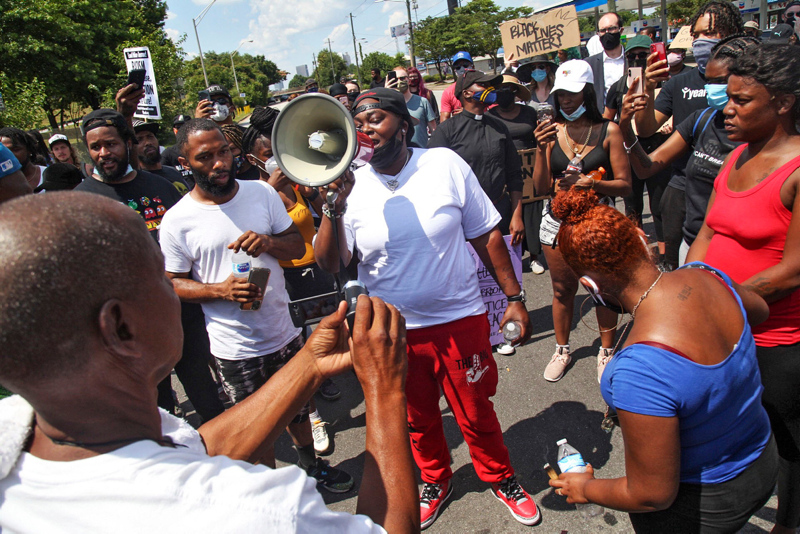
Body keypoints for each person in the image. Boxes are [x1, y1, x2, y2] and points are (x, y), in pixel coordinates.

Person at [0, 191, 418, 533]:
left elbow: (199, 448)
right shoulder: (253, 511)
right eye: (159, 278)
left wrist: (309, 362)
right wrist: (383, 388)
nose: (173, 289)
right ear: (120, 328)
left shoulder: (39, 443)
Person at [315, 87, 539, 529]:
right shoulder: (348, 186)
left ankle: (500, 476)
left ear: (404, 124)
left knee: (475, 411)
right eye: (358, 123)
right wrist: (332, 207)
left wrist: (515, 299)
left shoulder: (443, 164)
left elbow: (486, 235)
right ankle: (435, 480)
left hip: (460, 320)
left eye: (375, 119)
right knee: (417, 418)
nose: (365, 130)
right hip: (394, 332)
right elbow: (331, 263)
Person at [547, 188, 777, 532]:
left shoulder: (638, 371)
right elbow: (759, 310)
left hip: (705, 503)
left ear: (589, 284)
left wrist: (585, 488)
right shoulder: (705, 275)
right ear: (641, 239)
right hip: (763, 459)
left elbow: (651, 494)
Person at [159, 118, 354, 493]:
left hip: (283, 331)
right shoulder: (177, 221)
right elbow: (170, 284)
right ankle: (271, 492)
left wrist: (267, 243)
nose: (219, 163)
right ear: (186, 164)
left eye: (223, 152)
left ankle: (312, 467)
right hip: (236, 349)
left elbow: (297, 248)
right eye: (206, 157)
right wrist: (220, 291)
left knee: (298, 410)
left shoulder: (261, 194)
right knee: (257, 426)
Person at [687, 43, 800, 534]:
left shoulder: (796, 170)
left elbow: (791, 272)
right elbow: (709, 231)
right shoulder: (734, 157)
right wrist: (685, 287)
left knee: (790, 444)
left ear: (782, 102)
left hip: (778, 341)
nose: (726, 109)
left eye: (742, 100)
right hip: (726, 332)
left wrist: (715, 296)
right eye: (727, 97)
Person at [74, 109, 225, 423]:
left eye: (111, 144)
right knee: (158, 410)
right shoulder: (80, 201)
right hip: (132, 327)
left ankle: (222, 460)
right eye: (95, 147)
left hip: (182, 315)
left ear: (128, 143)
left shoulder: (162, 186)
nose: (104, 153)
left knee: (207, 398)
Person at [241, 106, 342, 455]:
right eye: (267, 155)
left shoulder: (296, 178)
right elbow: (253, 233)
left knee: (328, 331)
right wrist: (271, 187)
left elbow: (322, 211)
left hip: (314, 267)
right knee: (295, 349)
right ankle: (312, 417)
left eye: (276, 154)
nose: (274, 160)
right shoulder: (252, 192)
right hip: (283, 279)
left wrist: (307, 187)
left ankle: (324, 378)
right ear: (253, 158)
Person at [532, 60, 632, 383]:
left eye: (573, 94)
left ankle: (606, 351)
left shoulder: (608, 130)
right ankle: (562, 349)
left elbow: (626, 184)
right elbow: (539, 187)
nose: (566, 101)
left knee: (601, 288)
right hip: (558, 221)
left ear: (588, 92)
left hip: (597, 223)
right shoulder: (553, 131)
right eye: (561, 95)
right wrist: (540, 148)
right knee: (562, 290)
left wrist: (595, 184)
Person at [622, 36, 757, 266]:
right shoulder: (702, 120)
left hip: (737, 254)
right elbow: (646, 168)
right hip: (693, 244)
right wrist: (625, 126)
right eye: (709, 81)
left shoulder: (762, 138)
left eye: (721, 81)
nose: (713, 89)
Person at [429, 70, 525, 247]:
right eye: (484, 86)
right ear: (466, 93)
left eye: (491, 86)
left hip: (500, 212)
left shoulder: (499, 127)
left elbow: (514, 175)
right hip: (463, 221)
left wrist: (516, 215)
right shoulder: (447, 130)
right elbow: (432, 178)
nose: (490, 90)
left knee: (503, 272)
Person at [603, 34, 671, 261]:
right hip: (628, 151)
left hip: (659, 150)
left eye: (643, 55)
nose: (637, 60)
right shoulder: (619, 86)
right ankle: (638, 253)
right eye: (632, 56)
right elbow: (606, 120)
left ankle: (664, 258)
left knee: (660, 206)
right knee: (632, 205)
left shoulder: (666, 82)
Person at [487, 74, 546, 277]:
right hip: (505, 170)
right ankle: (514, 256)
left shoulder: (529, 112)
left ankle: (535, 256)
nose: (504, 94)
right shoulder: (491, 115)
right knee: (510, 212)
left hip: (529, 168)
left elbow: (538, 134)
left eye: (508, 90)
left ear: (515, 93)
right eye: (499, 91)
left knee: (531, 213)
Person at [132, 120, 190, 194]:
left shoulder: (173, 172)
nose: (148, 143)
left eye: (150, 136)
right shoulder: (138, 181)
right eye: (139, 140)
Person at [585, 12, 627, 110]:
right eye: (603, 30)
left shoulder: (633, 59)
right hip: (603, 120)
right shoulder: (589, 64)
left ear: (621, 30)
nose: (607, 33)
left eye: (612, 28)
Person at [387, 67, 436, 148]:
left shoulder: (423, 102)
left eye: (402, 78)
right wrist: (386, 93)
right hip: (399, 156)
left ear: (408, 79)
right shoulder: (388, 104)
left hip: (421, 153)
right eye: (396, 79)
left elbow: (434, 131)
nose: (399, 81)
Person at [160, 114, 195, 184]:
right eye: (179, 127)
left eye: (186, 127)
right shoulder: (168, 154)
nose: (182, 130)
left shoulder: (201, 150)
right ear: (174, 130)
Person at [439, 51, 473, 121]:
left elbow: (494, 114)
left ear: (472, 66)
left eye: (465, 65)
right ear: (455, 70)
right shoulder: (448, 92)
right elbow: (444, 121)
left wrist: (467, 113)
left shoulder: (482, 87)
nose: (462, 69)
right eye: (458, 67)